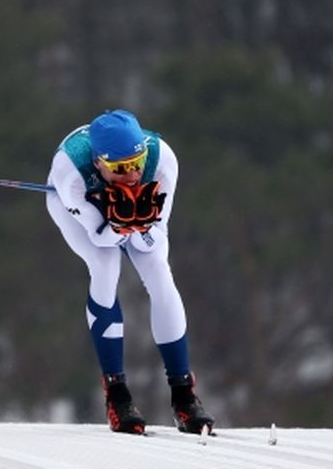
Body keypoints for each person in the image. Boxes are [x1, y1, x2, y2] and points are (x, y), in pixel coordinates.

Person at [45, 109, 215, 435]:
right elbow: (99, 236)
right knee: (106, 266)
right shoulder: (72, 177)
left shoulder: (162, 161)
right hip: (78, 208)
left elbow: (152, 242)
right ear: (99, 163)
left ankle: (184, 395)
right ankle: (117, 395)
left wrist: (137, 221)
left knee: (159, 272)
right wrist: (122, 221)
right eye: (120, 169)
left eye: (137, 162)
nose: (133, 174)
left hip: (125, 219)